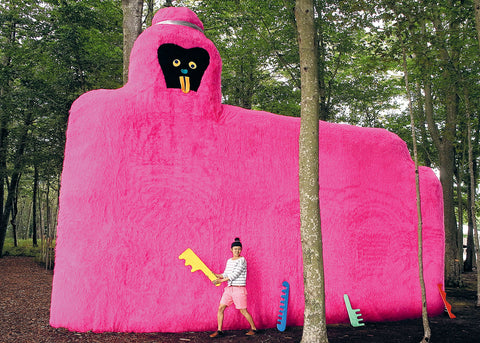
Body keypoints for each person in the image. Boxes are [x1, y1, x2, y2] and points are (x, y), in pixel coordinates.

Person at [209, 237, 257, 338]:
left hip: (239, 289)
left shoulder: (242, 260)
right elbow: (226, 273)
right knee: (221, 308)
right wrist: (217, 275)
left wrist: (220, 281)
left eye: (239, 249)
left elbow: (235, 274)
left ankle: (253, 328)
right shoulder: (229, 261)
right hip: (229, 289)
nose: (237, 251)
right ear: (231, 250)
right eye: (235, 249)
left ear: (241, 250)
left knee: (243, 310)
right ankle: (219, 330)